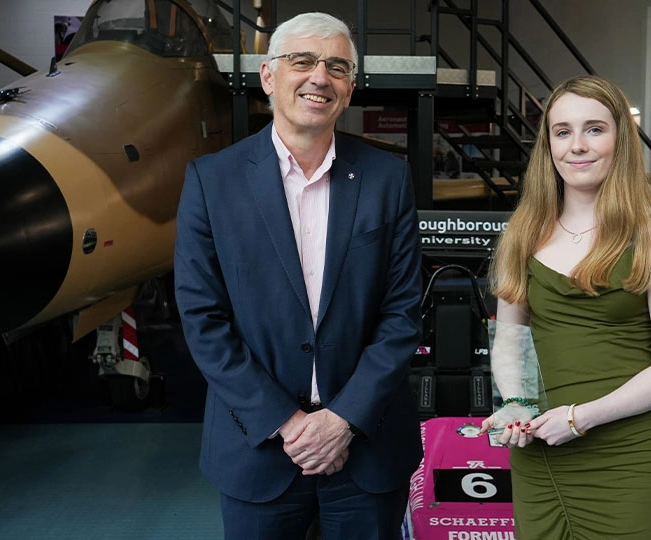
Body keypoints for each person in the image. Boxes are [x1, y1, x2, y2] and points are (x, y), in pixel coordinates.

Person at [174, 12, 423, 540]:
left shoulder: (388, 179)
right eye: (302, 61)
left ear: (350, 89)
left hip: (367, 447)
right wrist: (288, 425)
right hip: (257, 447)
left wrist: (342, 421)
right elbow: (203, 319)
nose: (319, 77)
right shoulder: (211, 181)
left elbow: (401, 315)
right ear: (268, 77)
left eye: (337, 67)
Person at [481, 75, 651, 539]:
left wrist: (580, 419)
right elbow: (511, 338)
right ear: (549, 146)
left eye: (594, 129)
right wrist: (514, 403)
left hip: (628, 455)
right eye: (563, 132)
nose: (577, 146)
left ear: (620, 140)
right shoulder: (522, 235)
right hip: (541, 452)